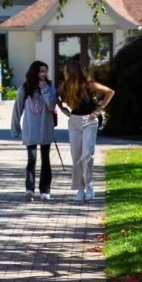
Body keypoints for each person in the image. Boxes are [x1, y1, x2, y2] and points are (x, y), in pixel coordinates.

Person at [58, 59, 114, 202]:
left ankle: (90, 187)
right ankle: (80, 190)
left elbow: (110, 92)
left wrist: (99, 110)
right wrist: (64, 110)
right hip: (74, 122)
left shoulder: (89, 84)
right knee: (76, 157)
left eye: (66, 70)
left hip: (89, 121)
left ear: (71, 71)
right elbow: (57, 99)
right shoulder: (66, 86)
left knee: (86, 155)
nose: (64, 72)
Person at [11, 60, 58, 201]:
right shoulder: (24, 89)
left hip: (45, 129)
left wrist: (44, 90)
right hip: (30, 129)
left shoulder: (50, 87)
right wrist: (15, 128)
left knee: (46, 160)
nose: (43, 74)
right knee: (31, 159)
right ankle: (29, 189)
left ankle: (45, 190)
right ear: (34, 72)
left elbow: (51, 105)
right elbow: (17, 109)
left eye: (45, 71)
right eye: (41, 71)